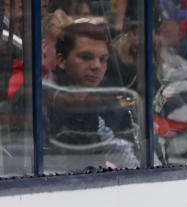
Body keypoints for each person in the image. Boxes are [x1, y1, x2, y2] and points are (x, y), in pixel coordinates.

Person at [43, 21, 140, 172]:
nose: (97, 66)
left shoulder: (100, 102)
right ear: (62, 60)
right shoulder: (37, 103)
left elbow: (122, 153)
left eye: (103, 59)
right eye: (86, 57)